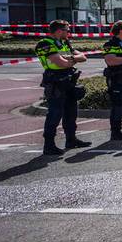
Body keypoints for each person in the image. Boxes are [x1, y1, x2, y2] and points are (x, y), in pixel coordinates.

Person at [34, 20, 90, 156]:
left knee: (71, 112)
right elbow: (61, 63)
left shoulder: (64, 42)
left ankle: (71, 139)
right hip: (55, 81)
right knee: (55, 113)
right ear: (59, 31)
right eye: (67, 30)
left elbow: (83, 57)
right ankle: (49, 145)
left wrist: (70, 58)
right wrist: (71, 60)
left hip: (69, 80)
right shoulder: (45, 44)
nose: (69, 33)